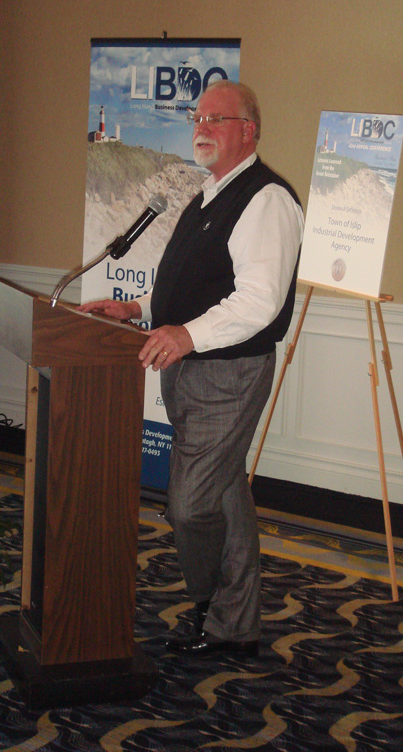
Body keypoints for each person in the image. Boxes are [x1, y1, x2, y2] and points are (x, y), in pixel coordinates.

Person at [79, 80, 304, 657]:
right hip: (190, 369)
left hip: (228, 373)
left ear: (248, 130)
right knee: (224, 493)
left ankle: (208, 602)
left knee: (191, 505)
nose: (201, 128)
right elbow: (187, 284)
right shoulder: (208, 194)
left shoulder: (266, 200)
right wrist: (138, 309)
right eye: (197, 118)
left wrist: (185, 335)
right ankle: (234, 625)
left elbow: (259, 301)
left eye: (215, 119)